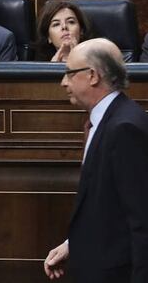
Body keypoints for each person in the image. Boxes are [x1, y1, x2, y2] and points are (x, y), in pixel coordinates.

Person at [44, 38, 148, 282]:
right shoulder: (109, 119)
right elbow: (107, 206)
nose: (63, 82)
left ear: (92, 75)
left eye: (69, 73)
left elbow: (142, 220)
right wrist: (74, 244)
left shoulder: (124, 128)